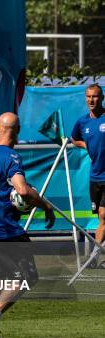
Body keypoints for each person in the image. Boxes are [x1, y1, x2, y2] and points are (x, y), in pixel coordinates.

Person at [0, 112, 55, 338]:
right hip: (6, 228)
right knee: (28, 278)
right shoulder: (12, 156)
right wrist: (45, 206)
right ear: (17, 130)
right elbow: (21, 189)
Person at [70, 84, 105, 266]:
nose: (92, 100)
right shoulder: (82, 122)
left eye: (96, 96)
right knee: (101, 218)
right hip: (95, 176)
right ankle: (97, 256)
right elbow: (74, 138)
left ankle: (94, 256)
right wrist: (86, 146)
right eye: (89, 96)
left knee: (104, 216)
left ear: (102, 98)